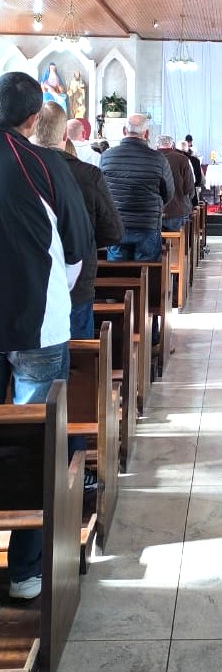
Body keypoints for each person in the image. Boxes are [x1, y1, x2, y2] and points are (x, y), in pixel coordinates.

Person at [0, 71, 93, 600]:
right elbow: (79, 251)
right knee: (34, 439)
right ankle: (26, 571)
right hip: (35, 322)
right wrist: (53, 289)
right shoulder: (43, 163)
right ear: (35, 120)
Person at [32, 101, 124, 339]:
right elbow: (113, 232)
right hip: (76, 283)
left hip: (27, 284)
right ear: (64, 134)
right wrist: (87, 240)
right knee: (75, 355)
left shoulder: (16, 169)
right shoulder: (86, 174)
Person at [100, 114, 174, 262]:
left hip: (116, 224)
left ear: (124, 131)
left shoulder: (107, 157)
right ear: (146, 134)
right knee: (148, 276)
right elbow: (168, 193)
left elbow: (101, 191)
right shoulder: (158, 159)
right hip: (147, 224)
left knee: (117, 276)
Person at [157, 135, 195, 230]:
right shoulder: (182, 159)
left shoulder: (149, 158)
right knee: (179, 243)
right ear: (172, 145)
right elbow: (189, 187)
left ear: (156, 145)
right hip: (177, 209)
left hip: (154, 212)